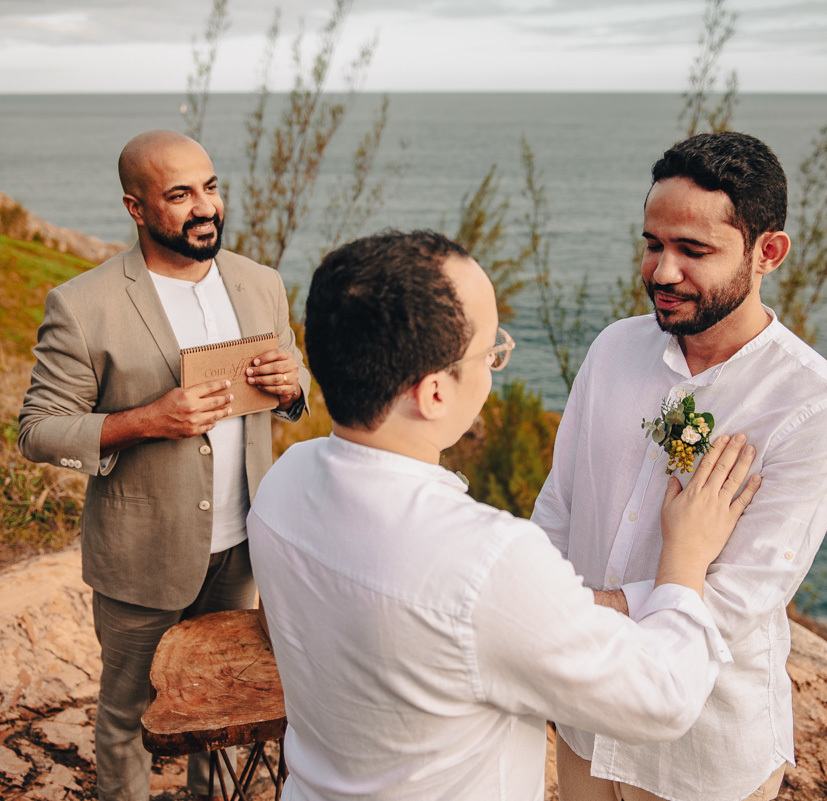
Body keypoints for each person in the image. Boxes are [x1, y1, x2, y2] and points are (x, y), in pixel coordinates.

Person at [248, 229, 763, 801]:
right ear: (435, 393)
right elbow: (663, 699)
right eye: (490, 353)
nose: (495, 368)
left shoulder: (281, 485)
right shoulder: (483, 562)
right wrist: (685, 559)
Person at [532, 131, 827, 801]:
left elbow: (740, 598)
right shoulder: (612, 349)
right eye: (653, 244)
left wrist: (575, 611)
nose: (661, 272)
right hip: (585, 717)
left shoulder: (815, 408)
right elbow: (557, 511)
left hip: (696, 756)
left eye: (693, 250)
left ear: (768, 252)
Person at [17, 129, 308, 801]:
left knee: (224, 707)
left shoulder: (261, 283)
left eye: (210, 187)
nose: (204, 206)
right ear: (136, 207)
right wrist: (149, 419)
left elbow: (292, 381)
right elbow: (37, 430)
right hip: (140, 554)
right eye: (179, 195)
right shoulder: (82, 304)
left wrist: (293, 385)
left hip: (242, 547)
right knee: (127, 717)